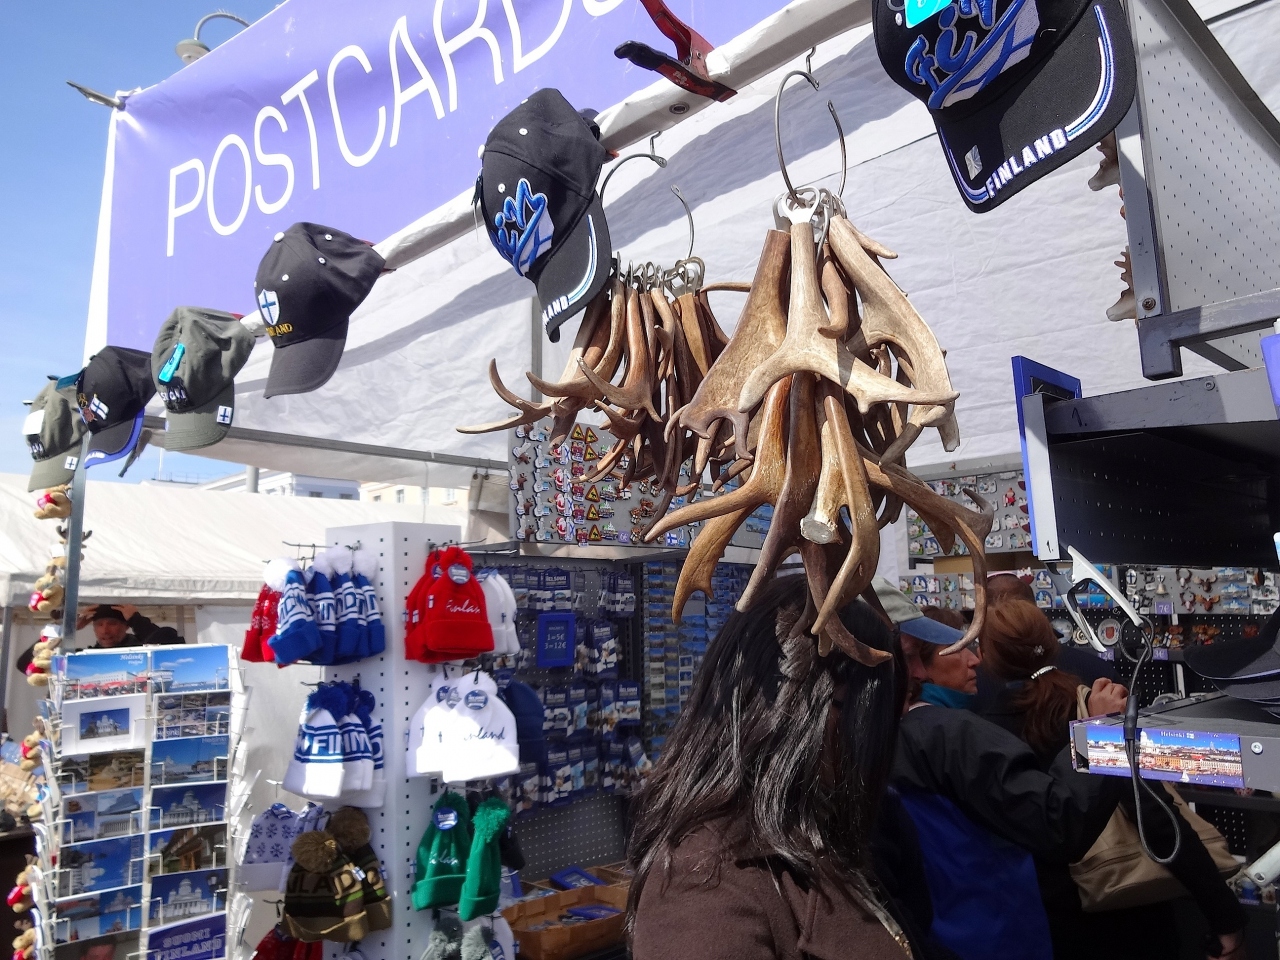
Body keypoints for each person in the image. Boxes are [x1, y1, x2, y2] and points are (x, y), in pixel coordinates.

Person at [628, 575, 917, 959]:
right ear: (803, 707)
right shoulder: (705, 884)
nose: (874, 740)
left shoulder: (808, 831)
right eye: (870, 714)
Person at [979, 600, 1247, 960]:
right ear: (1053, 641)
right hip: (1132, 915)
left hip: (1045, 926)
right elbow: (1156, 817)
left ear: (986, 657)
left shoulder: (981, 735)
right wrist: (1224, 916)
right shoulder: (1096, 711)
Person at [876, 582, 1127, 960]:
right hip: (1001, 937)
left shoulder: (860, 742)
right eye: (909, 655)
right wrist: (1101, 731)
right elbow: (1059, 820)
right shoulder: (945, 735)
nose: (919, 673)